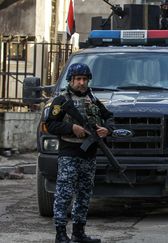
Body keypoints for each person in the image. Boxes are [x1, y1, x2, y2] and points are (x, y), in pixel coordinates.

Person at [46, 63, 113, 243]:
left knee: (84, 194)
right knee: (64, 193)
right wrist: (71, 127)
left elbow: (110, 117)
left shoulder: (93, 99)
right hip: (69, 153)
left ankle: (78, 232)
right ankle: (60, 233)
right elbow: (50, 124)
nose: (81, 83)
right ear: (71, 80)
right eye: (78, 79)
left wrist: (107, 129)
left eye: (84, 79)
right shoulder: (61, 101)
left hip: (89, 155)